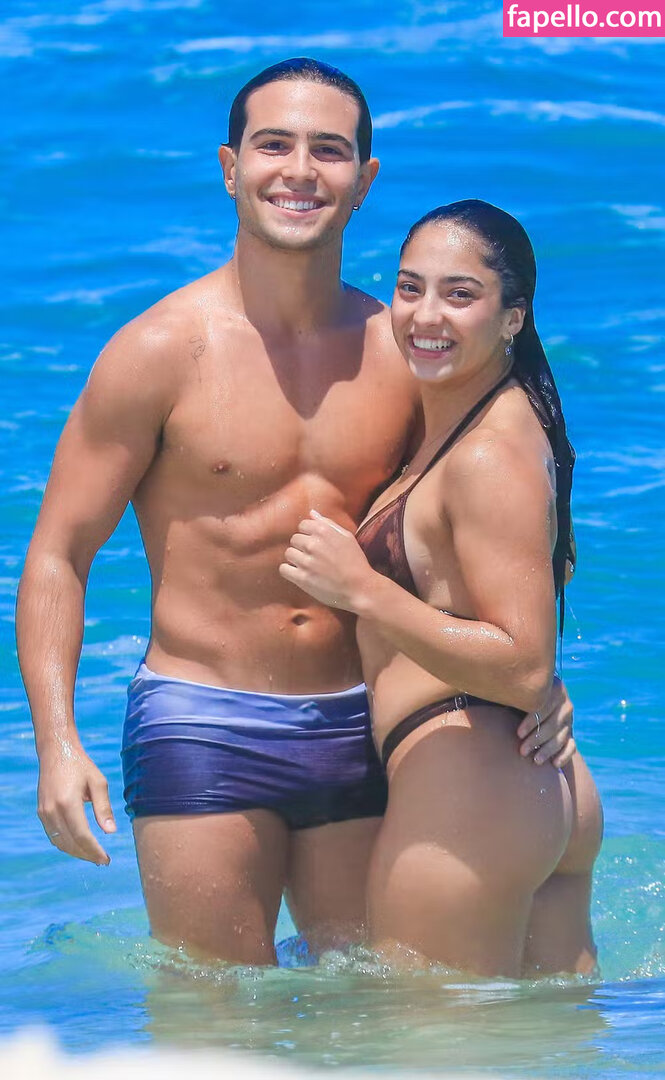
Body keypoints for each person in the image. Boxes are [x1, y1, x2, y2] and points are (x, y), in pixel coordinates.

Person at [17, 61, 576, 967]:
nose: (300, 171)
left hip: (362, 724)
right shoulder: (159, 352)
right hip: (202, 719)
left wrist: (533, 676)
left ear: (365, 178)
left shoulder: (405, 354)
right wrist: (56, 742)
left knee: (367, 1005)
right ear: (230, 167)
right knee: (211, 1007)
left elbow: (499, 514)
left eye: (329, 149)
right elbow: (58, 554)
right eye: (274, 144)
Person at [280, 199, 603, 977]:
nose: (426, 315)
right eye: (409, 287)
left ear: (512, 317)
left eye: (459, 295)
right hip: (522, 786)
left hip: (466, 797)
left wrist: (364, 590)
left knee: (428, 1041)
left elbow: (521, 664)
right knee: (551, 1037)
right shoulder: (488, 421)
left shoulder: (487, 453)